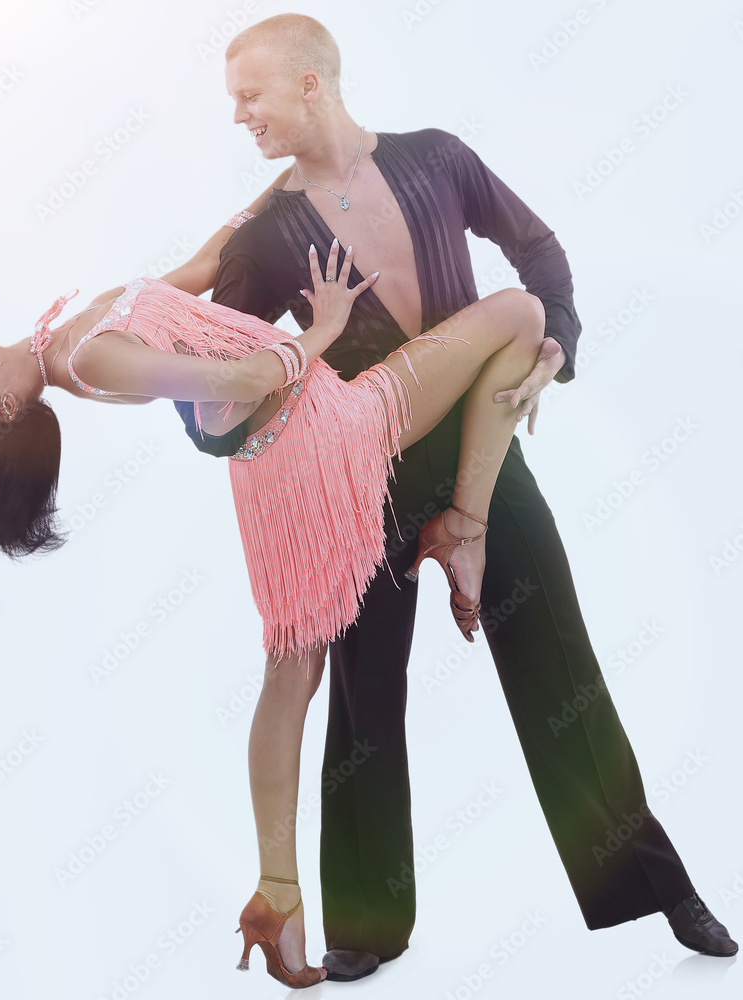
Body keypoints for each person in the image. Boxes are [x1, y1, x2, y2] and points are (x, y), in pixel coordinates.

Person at [170, 11, 738, 983]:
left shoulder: (438, 158)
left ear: (311, 84)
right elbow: (201, 376)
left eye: (249, 95)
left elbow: (537, 246)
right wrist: (259, 411)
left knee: (559, 671)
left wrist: (551, 340)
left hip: (484, 466)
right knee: (362, 704)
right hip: (359, 491)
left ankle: (653, 886)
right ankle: (363, 922)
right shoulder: (265, 239)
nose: (238, 117)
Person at [0, 207, 548, 985]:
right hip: (325, 432)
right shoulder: (97, 359)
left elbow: (192, 271)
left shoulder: (69, 335)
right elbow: (246, 379)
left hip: (269, 473)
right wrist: (324, 326)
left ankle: (277, 898)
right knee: (522, 314)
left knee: (290, 676)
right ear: (7, 409)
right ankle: (465, 526)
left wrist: (275, 192)